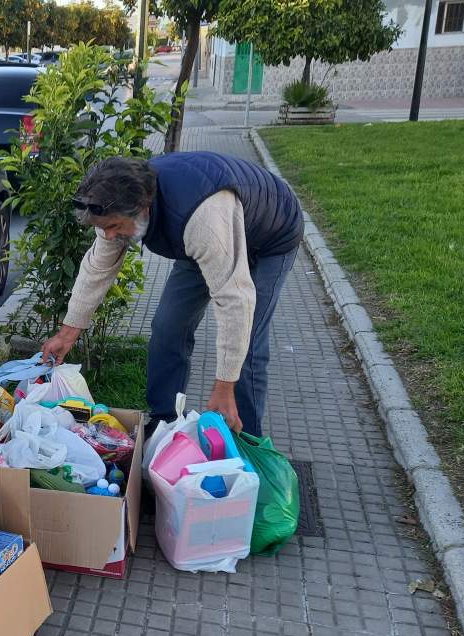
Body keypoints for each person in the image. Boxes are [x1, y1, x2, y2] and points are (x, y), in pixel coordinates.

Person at [40, 154, 303, 437]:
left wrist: (223, 386)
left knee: (248, 343)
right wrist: (67, 335)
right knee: (168, 326)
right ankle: (163, 423)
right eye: (104, 229)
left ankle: (247, 440)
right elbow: (96, 269)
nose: (110, 235)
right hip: (209, 236)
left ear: (142, 209)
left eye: (115, 227)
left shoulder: (201, 218)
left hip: (272, 234)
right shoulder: (116, 211)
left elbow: (235, 300)